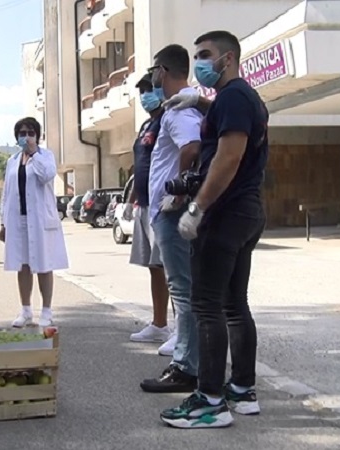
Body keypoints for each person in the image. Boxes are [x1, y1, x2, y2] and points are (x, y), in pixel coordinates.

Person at [159, 30, 269, 429]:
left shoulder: (234, 96)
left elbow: (229, 156)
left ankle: (209, 402)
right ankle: (241, 390)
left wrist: (198, 207)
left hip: (225, 213)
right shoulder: (239, 97)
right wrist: (200, 102)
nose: (200, 63)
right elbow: (229, 123)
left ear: (228, 58)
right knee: (234, 305)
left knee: (206, 305)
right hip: (246, 211)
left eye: (205, 55)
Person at [140, 44, 203, 395]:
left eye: (154, 71)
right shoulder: (178, 107)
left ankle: (186, 367)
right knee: (185, 288)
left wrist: (178, 191)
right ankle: (191, 362)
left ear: (162, 71)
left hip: (171, 212)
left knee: (183, 289)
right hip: (167, 211)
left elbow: (191, 147)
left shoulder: (177, 109)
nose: (152, 78)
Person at [0, 117, 68, 328]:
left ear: (37, 136)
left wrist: (33, 154)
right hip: (18, 219)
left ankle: (46, 311)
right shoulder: (12, 161)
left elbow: (46, 175)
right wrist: (3, 222)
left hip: (39, 219)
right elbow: (6, 193)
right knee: (23, 265)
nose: (26, 137)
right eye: (22, 133)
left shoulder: (45, 156)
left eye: (30, 133)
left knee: (44, 264)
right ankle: (26, 310)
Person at [123, 73, 173, 348]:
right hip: (143, 203)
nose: (145, 96)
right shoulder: (146, 125)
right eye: (141, 91)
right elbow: (140, 163)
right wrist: (131, 198)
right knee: (155, 267)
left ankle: (182, 329)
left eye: (149, 89)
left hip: (160, 203)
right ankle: (159, 324)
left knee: (171, 268)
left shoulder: (168, 119)